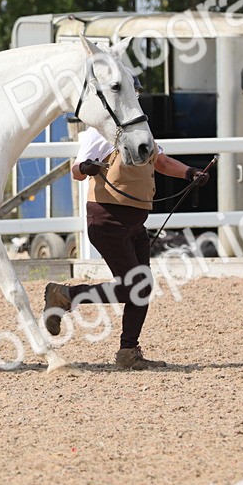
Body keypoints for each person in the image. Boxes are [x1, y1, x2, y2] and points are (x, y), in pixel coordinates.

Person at [44, 126, 209, 370]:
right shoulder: (100, 132)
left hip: (135, 224)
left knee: (142, 287)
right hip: (107, 220)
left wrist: (190, 172)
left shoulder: (142, 129)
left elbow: (160, 162)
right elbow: (76, 171)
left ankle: (128, 351)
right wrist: (87, 167)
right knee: (134, 287)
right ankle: (66, 295)